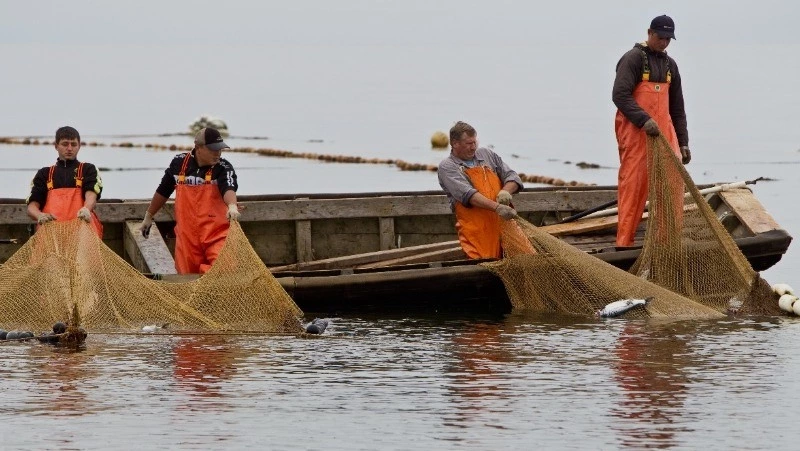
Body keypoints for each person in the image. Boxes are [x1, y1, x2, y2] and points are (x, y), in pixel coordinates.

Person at [612, 14, 692, 247]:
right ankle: (623, 244)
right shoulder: (633, 59)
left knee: (672, 183)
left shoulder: (671, 65)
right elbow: (620, 95)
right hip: (637, 133)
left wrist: (684, 142)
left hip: (665, 133)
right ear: (649, 33)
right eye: (660, 37)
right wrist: (643, 120)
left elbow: (677, 108)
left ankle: (667, 242)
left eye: (668, 39)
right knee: (634, 185)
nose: (664, 42)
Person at [140, 127, 241, 274]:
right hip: (187, 238)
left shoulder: (223, 167)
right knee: (186, 277)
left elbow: (229, 188)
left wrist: (232, 206)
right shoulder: (179, 164)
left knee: (223, 270)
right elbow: (163, 190)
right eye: (213, 149)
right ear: (198, 148)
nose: (218, 153)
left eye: (220, 149)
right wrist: (149, 215)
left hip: (216, 234)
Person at [438, 121, 523, 259]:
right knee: (485, 264)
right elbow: (469, 195)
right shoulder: (447, 166)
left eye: (474, 142)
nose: (473, 147)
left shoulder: (486, 154)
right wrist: (498, 208)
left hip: (505, 223)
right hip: (478, 231)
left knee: (525, 256)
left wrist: (506, 191)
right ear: (455, 144)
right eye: (468, 144)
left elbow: (512, 176)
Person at [26, 126, 104, 237]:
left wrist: (86, 209)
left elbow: (91, 196)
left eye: (73, 144)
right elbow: (31, 207)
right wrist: (40, 216)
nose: (69, 148)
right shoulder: (44, 174)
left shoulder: (88, 169)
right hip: (51, 236)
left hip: (82, 235)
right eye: (65, 144)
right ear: (56, 146)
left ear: (79, 146)